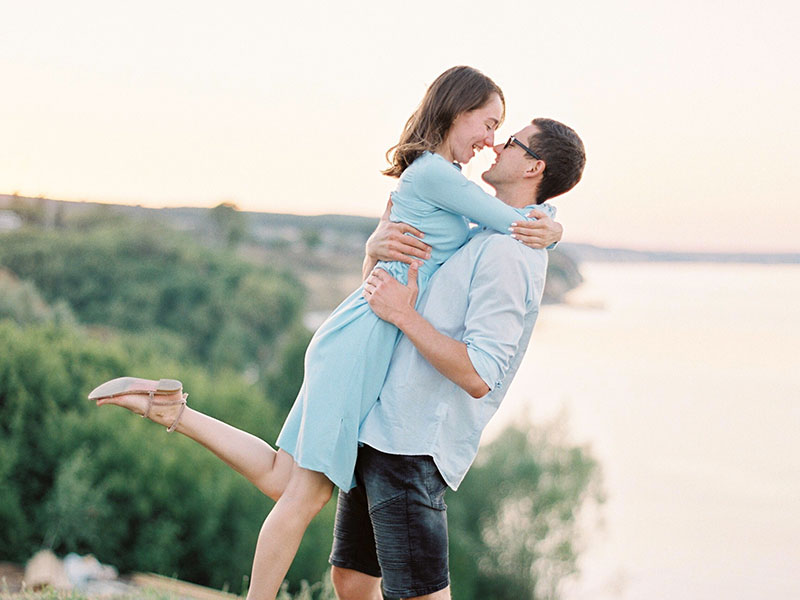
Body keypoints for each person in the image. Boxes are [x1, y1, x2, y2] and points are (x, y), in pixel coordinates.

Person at [87, 66, 563, 600]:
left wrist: (542, 221)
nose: (491, 141)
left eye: (503, 131)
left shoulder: (437, 180)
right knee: (300, 498)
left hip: (360, 334)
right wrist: (553, 226)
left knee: (279, 478)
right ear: (457, 108)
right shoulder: (435, 174)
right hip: (362, 344)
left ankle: (171, 409)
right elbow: (510, 221)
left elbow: (466, 239)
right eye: (489, 122)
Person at [329, 117, 587, 600]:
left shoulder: (511, 254)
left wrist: (403, 316)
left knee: (419, 594)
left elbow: (479, 374)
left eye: (510, 141)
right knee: (352, 578)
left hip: (414, 442)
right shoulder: (484, 230)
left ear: (534, 165)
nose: (494, 145)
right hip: (382, 426)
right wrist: (374, 248)